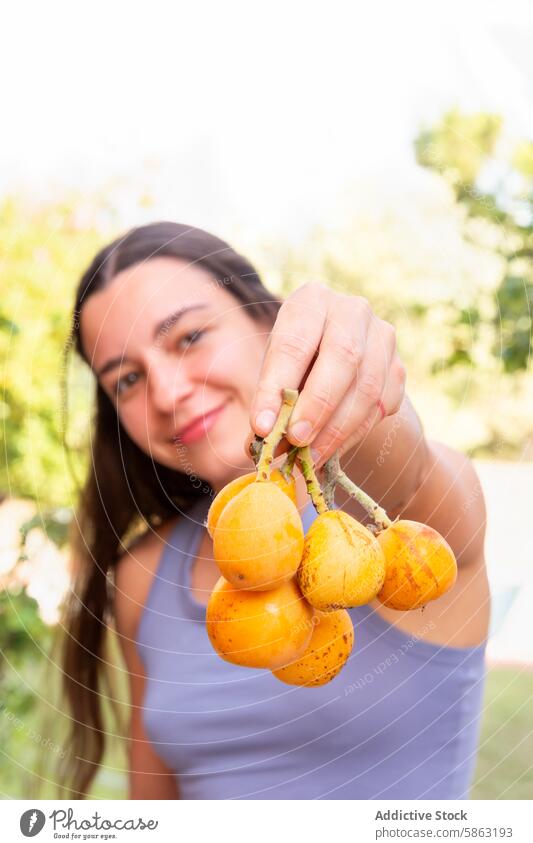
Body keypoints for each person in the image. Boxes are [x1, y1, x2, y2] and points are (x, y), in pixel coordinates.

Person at [62, 221, 490, 800]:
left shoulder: (393, 532)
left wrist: (344, 349)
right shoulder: (142, 575)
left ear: (269, 323)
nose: (165, 393)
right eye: (128, 379)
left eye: (189, 337)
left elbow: (404, 465)